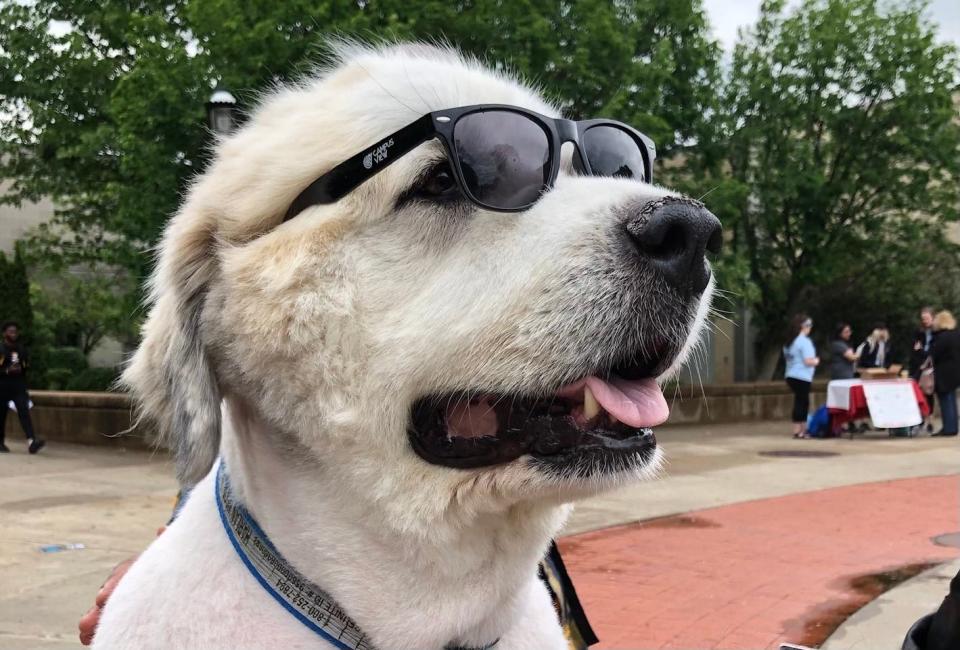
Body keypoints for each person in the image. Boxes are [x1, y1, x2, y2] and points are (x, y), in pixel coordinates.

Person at [0, 321, 45, 453]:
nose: (13, 334)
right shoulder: (1, 349)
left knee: (24, 411)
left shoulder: (21, 349)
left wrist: (21, 369)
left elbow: (26, 367)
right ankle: (0, 442)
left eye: (15, 332)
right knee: (1, 415)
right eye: (10, 331)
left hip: (18, 386)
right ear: (4, 333)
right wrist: (7, 371)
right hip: (2, 386)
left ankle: (32, 441)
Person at [784, 314, 819, 438]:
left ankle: (796, 429)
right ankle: (802, 430)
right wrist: (816, 361)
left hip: (790, 375)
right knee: (803, 402)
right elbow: (808, 361)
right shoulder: (804, 341)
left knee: (799, 401)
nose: (810, 328)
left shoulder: (789, 342)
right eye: (808, 325)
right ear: (802, 327)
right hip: (802, 375)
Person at [930, 310, 960, 437]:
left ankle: (948, 428)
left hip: (944, 371)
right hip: (956, 370)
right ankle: (953, 427)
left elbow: (935, 354)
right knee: (952, 399)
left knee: (945, 400)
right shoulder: (956, 334)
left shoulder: (942, 337)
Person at [911, 307, 937, 432]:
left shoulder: (937, 332)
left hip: (932, 366)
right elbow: (915, 349)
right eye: (923, 319)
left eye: (927, 318)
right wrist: (921, 351)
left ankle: (930, 420)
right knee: (918, 391)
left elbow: (933, 350)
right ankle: (920, 418)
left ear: (933, 317)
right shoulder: (919, 332)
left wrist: (922, 350)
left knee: (929, 392)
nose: (925, 321)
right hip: (920, 365)